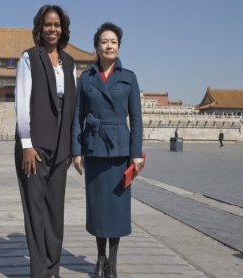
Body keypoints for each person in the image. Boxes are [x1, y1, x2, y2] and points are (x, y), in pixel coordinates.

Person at [71, 22, 144, 278]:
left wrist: (136, 152)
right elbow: (77, 116)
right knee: (99, 208)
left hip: (120, 152)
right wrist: (76, 151)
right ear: (96, 46)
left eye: (113, 42)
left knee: (117, 210)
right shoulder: (86, 78)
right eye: (104, 41)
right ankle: (99, 260)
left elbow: (135, 118)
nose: (109, 46)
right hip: (93, 150)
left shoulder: (129, 77)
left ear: (118, 46)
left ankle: (112, 262)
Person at [14, 5, 76, 278]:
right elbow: (22, 102)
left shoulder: (70, 63)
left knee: (55, 212)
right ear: (40, 27)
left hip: (60, 146)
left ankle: (53, 269)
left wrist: (73, 148)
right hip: (35, 146)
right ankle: (39, 272)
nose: (53, 29)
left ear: (63, 29)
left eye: (57, 25)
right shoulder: (29, 58)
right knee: (35, 211)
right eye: (48, 24)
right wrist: (26, 144)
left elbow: (71, 107)